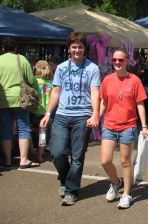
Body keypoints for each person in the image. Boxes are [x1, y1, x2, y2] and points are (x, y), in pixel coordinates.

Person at [39, 32, 101, 206]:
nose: (77, 50)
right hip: (62, 115)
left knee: (77, 156)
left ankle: (71, 190)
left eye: (80, 46)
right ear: (69, 49)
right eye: (74, 46)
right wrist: (48, 113)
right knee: (56, 153)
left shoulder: (92, 68)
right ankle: (65, 179)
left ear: (84, 49)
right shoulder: (61, 68)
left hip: (83, 116)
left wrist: (95, 113)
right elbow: (56, 92)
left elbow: (95, 92)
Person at [100, 49, 148, 209]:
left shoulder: (134, 80)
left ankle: (127, 194)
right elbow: (104, 102)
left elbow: (140, 104)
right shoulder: (107, 80)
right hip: (109, 125)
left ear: (127, 61)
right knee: (105, 160)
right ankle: (115, 182)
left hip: (128, 126)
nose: (117, 63)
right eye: (114, 60)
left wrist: (145, 126)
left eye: (120, 60)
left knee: (124, 161)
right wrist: (96, 117)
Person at [0, 38, 40, 169]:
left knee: (5, 129)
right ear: (16, 48)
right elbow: (31, 79)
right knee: (23, 127)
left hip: (3, 98)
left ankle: (7, 160)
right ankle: (23, 159)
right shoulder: (21, 59)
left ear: (3, 48)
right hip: (20, 98)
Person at [32, 60, 54, 163]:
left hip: (34, 111)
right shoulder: (51, 82)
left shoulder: (34, 81)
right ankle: (41, 153)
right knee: (42, 133)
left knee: (30, 131)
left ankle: (34, 152)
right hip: (46, 112)